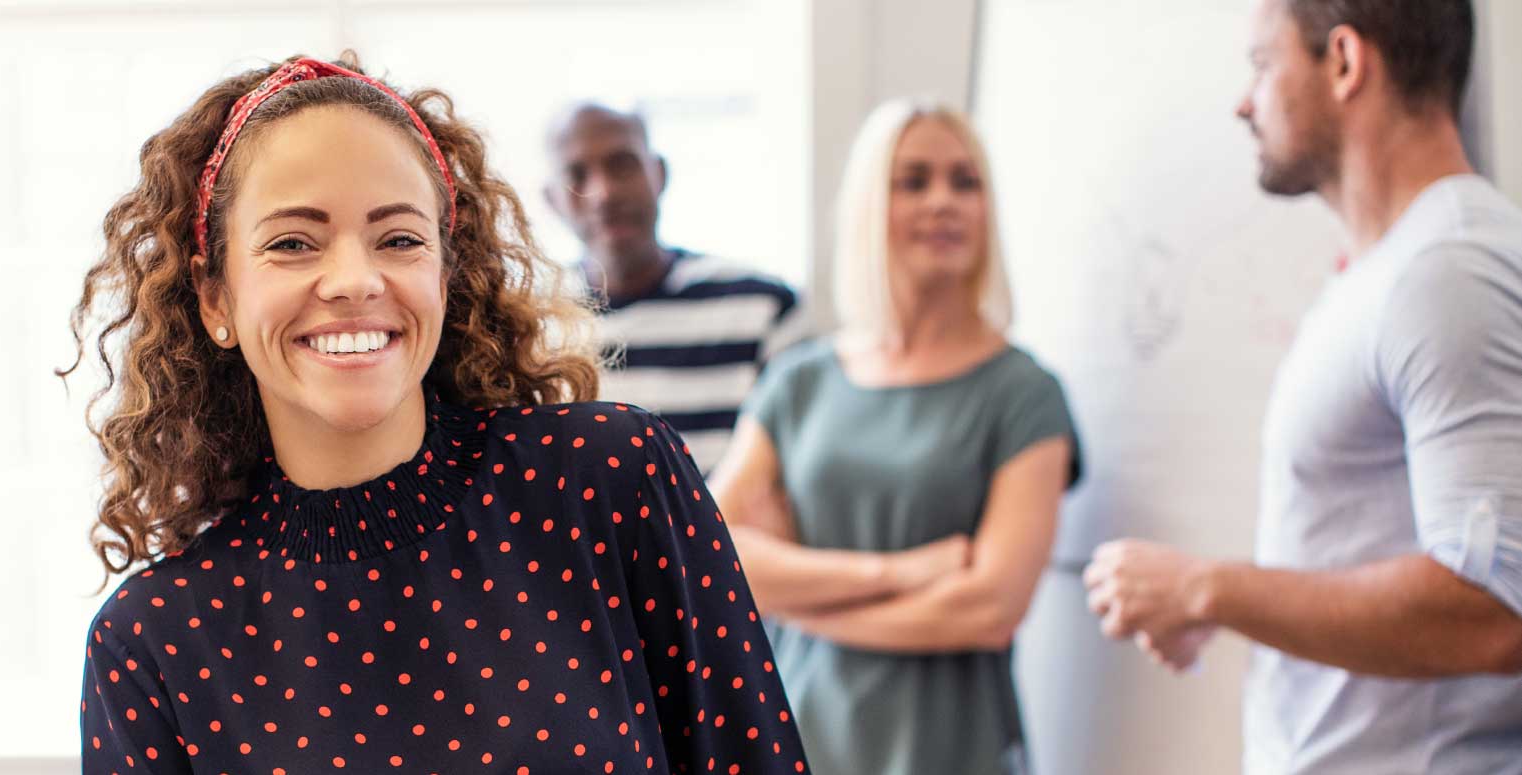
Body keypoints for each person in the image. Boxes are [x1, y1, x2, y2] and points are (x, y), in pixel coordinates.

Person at [64, 54, 811, 774]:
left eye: (399, 239)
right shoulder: (153, 644)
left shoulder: (609, 479)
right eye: (293, 242)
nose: (355, 279)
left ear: (445, 274)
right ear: (214, 297)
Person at [1083, 1, 1522, 773]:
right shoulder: (1386, 272)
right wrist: (1222, 601)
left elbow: (1492, 611)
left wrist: (1206, 589)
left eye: (1261, 63)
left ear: (1344, 62)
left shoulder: (1447, 271)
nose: (1243, 101)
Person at [708, 99, 1080, 775]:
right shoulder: (799, 382)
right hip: (796, 733)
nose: (943, 201)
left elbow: (988, 606)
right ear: (865, 205)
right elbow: (712, 552)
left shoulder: (1024, 393)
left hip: (949, 745)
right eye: (912, 181)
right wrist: (901, 571)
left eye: (964, 181)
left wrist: (793, 597)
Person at [544, 103, 806, 473]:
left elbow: (800, 472)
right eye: (576, 174)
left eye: (622, 164)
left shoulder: (762, 306)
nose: (603, 192)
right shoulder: (527, 325)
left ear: (660, 174)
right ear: (551, 200)